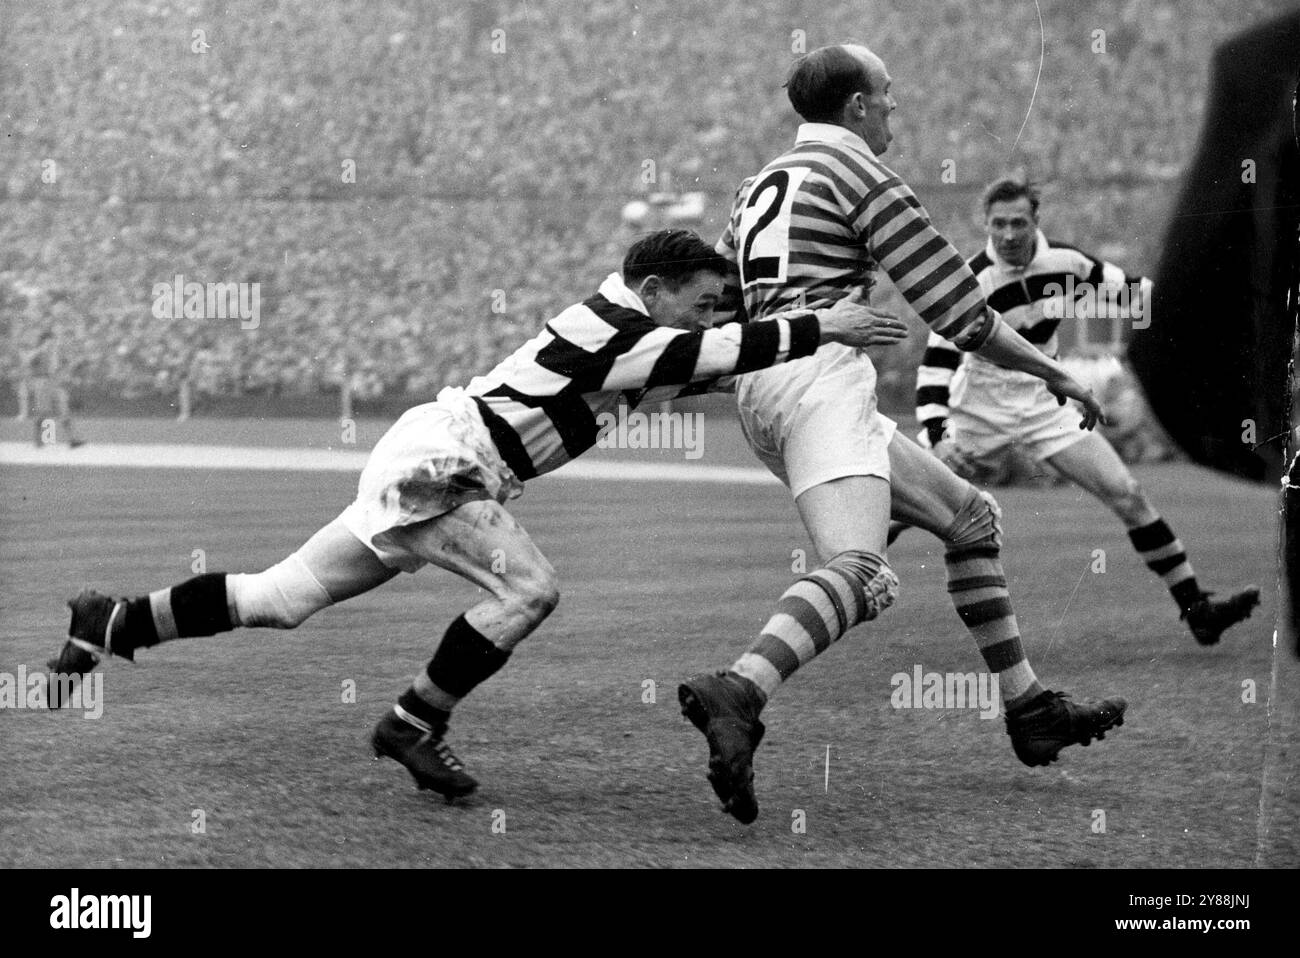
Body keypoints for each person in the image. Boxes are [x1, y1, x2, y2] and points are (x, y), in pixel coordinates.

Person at [45, 229, 903, 801]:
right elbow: (715, 349)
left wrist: (814, 334)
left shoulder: (642, 339)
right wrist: (824, 323)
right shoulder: (610, 320)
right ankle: (413, 723)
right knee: (529, 590)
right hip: (446, 461)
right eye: (704, 298)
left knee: (283, 597)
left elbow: (717, 359)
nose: (714, 315)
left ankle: (115, 621)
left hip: (445, 459)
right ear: (653, 288)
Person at [678, 44, 1126, 825]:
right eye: (887, 95)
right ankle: (740, 688)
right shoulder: (864, 178)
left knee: (970, 518)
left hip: (769, 381)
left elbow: (719, 305)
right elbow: (962, 313)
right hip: (820, 382)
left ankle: (1029, 710)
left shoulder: (759, 186)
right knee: (862, 571)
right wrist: (1055, 374)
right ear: (856, 107)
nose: (896, 107)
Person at [902, 175, 1259, 645]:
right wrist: (938, 436)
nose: (1008, 235)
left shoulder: (1066, 264)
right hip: (978, 408)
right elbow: (935, 368)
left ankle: (1199, 611)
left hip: (1044, 399)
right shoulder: (970, 282)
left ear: (1035, 222)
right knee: (902, 502)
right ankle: (844, 577)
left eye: (1018, 223)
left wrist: (1207, 312)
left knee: (1127, 494)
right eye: (998, 225)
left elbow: (1138, 297)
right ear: (985, 224)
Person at [25, 332, 85, 448]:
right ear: (44, 341)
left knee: (64, 410)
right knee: (43, 412)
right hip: (42, 382)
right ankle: (39, 440)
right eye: (50, 340)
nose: (53, 343)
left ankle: (73, 439)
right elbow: (28, 361)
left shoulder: (55, 353)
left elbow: (62, 366)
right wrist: (40, 349)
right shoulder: (38, 352)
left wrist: (70, 368)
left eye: (54, 340)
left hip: (55, 382)